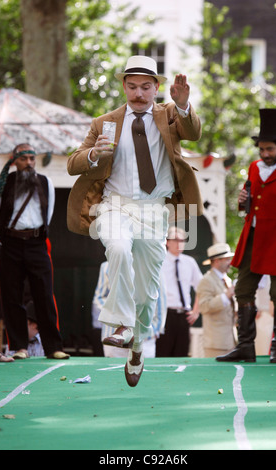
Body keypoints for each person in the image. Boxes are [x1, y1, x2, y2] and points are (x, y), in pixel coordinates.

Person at [67, 55, 203, 386]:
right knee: (116, 248)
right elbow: (73, 163)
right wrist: (94, 154)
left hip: (155, 211)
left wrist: (184, 106)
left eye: (145, 87)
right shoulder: (105, 122)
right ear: (123, 86)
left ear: (157, 87)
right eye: (131, 87)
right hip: (115, 206)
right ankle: (120, 325)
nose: (138, 94)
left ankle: (138, 345)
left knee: (146, 294)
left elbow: (193, 133)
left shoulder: (169, 114)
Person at [216, 109, 276, 363]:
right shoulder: (254, 168)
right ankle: (246, 347)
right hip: (253, 238)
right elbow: (253, 202)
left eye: (269, 149)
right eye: (261, 149)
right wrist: (242, 202)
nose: (264, 154)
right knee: (243, 289)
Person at [0, 143, 69, 360]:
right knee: (11, 296)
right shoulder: (2, 183)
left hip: (36, 243)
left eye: (32, 158)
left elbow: (50, 212)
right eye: (24, 158)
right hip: (10, 244)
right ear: (14, 160)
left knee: (44, 295)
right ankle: (19, 348)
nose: (29, 163)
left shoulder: (46, 182)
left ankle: (53, 347)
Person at [92, 261, 167, 358]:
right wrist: (118, 312)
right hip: (113, 336)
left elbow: (161, 301)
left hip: (144, 336)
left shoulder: (153, 265)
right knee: (113, 372)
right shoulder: (106, 266)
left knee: (144, 372)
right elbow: (99, 298)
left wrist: (156, 330)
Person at [156, 226, 202, 357]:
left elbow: (201, 287)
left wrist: (196, 311)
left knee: (182, 354)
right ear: (167, 242)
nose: (179, 243)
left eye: (182, 240)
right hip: (165, 315)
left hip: (184, 316)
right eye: (176, 240)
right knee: (163, 353)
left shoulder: (189, 262)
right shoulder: (159, 261)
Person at [196, 243, 236, 357]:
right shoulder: (206, 280)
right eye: (227, 259)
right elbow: (204, 307)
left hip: (230, 341)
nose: (230, 262)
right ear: (217, 261)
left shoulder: (226, 279)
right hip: (215, 344)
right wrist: (226, 295)